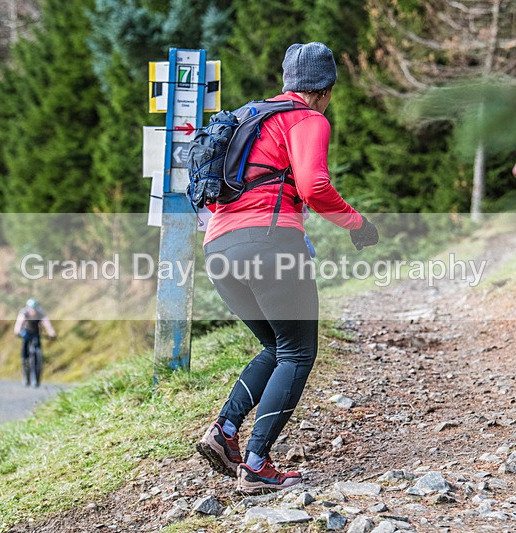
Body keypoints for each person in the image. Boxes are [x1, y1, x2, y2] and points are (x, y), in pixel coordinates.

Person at [195, 42, 379, 494]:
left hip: (219, 247)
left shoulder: (249, 117)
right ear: (326, 88)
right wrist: (357, 223)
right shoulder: (308, 118)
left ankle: (224, 432)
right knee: (298, 351)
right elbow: (314, 186)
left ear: (287, 81)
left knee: (278, 347)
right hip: (270, 244)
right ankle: (256, 464)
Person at [13, 298, 56, 386]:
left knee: (38, 347)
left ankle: (37, 369)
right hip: (26, 332)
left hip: (36, 333)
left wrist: (52, 333)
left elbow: (47, 323)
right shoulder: (24, 312)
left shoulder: (40, 312)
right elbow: (19, 323)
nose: (33, 311)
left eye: (34, 309)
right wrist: (17, 331)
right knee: (25, 349)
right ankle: (25, 368)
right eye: (31, 309)